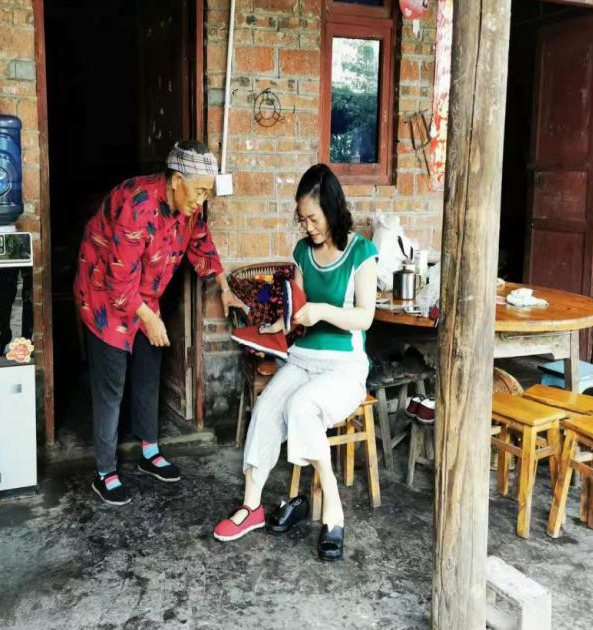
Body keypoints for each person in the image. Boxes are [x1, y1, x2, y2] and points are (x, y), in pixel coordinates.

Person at [213, 163, 378, 560]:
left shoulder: (361, 253)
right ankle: (251, 506)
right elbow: (297, 311)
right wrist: (272, 327)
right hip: (302, 358)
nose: (308, 227)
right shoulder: (303, 252)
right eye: (302, 219)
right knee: (267, 406)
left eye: (314, 218)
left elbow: (365, 317)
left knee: (301, 406)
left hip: (344, 366)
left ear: (333, 209)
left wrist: (321, 311)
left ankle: (333, 506)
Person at [75, 141, 243, 506]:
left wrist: (225, 288)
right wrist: (149, 318)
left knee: (148, 369)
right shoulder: (137, 205)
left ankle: (149, 451)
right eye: (200, 191)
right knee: (112, 384)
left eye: (207, 193)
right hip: (104, 294)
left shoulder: (187, 207)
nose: (202, 200)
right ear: (177, 181)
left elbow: (201, 243)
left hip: (143, 297)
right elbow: (119, 280)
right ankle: (105, 472)